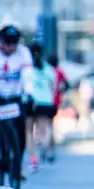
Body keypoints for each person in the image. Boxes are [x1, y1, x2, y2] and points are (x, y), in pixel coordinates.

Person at [0, 25, 34, 187]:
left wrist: (29, 93)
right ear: (1, 42)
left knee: (21, 130)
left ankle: (18, 162)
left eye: (14, 43)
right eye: (7, 43)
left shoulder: (23, 53)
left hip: (15, 98)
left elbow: (28, 76)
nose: (11, 46)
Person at [26, 43, 59, 171]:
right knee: (45, 128)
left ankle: (33, 159)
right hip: (46, 102)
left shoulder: (27, 68)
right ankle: (44, 146)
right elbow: (54, 86)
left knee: (29, 131)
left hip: (31, 102)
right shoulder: (49, 69)